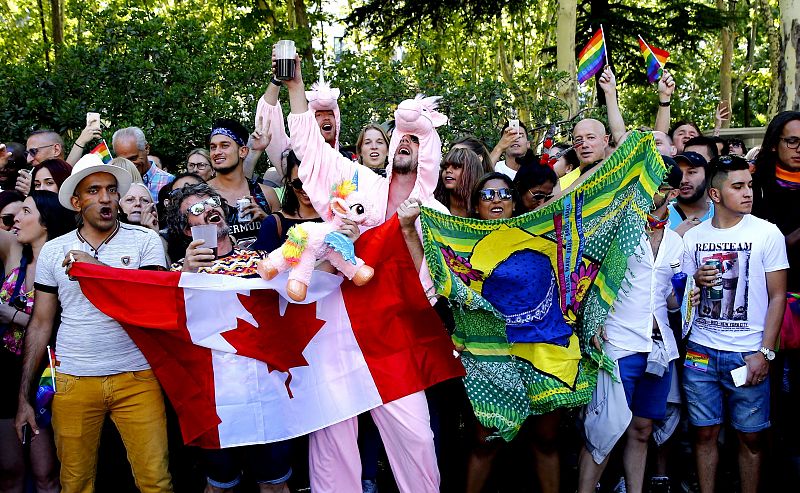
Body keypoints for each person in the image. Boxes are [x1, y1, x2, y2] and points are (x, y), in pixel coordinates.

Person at [280, 50, 448, 493]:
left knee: (417, 439)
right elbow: (312, 153)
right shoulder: (359, 182)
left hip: (393, 338)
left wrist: (409, 232)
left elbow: (430, 293)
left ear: (429, 151)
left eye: (416, 139)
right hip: (338, 331)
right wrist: (296, 89)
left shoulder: (438, 214)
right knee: (332, 440)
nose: (406, 143)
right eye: (401, 138)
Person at [15, 153, 173, 493]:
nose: (106, 198)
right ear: (76, 202)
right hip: (73, 380)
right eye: (94, 190)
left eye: (111, 190)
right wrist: (24, 397)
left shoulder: (144, 240)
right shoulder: (54, 250)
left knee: (156, 482)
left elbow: (152, 302)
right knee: (75, 484)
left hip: (137, 378)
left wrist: (96, 271)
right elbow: (40, 324)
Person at [682, 154, 788, 493]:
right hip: (700, 351)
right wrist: (693, 282)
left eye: (750, 185)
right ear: (715, 194)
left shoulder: (767, 233)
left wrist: (765, 353)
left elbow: (778, 297)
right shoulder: (692, 238)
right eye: (738, 186)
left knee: (751, 437)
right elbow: (678, 298)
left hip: (748, 353)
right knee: (703, 434)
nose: (748, 193)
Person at [577, 165, 684, 493]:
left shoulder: (676, 243)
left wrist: (687, 296)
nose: (652, 191)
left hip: (658, 347)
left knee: (642, 429)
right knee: (604, 430)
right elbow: (589, 279)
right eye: (649, 182)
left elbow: (671, 299)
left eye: (660, 186)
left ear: (673, 193)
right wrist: (592, 323)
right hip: (618, 341)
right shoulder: (620, 230)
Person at [0, 190, 74, 493]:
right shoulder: (16, 258)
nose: (15, 219)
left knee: (46, 473)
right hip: (6, 372)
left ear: (46, 222)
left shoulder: (65, 266)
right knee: (8, 471)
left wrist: (12, 315)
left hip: (47, 375)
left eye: (26, 212)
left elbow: (60, 326)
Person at [751, 112, 800, 482]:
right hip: (770, 305)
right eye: (792, 141)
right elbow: (759, 247)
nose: (799, 149)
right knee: (772, 396)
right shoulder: (756, 186)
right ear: (773, 144)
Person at [207, 118, 280, 248]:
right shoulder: (201, 196)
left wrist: (267, 220)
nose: (217, 152)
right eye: (213, 147)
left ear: (243, 151)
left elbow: (286, 243)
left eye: (224, 145)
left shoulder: (267, 194)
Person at [250, 151, 322, 252]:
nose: (306, 188)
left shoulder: (337, 218)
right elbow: (264, 262)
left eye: (312, 181)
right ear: (289, 182)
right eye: (298, 183)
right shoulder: (273, 224)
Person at [112, 126, 174, 199]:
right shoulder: (115, 183)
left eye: (133, 158)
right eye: (124, 160)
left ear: (146, 149)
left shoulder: (169, 181)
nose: (129, 164)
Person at [667, 151, 714, 236]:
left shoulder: (722, 213)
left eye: (691, 172)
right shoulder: (661, 216)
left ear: (707, 176)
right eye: (679, 173)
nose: (683, 180)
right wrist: (675, 236)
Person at [433, 147, 484, 217]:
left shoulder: (484, 208)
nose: (448, 170)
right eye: (445, 167)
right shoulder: (432, 206)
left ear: (472, 172)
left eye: (456, 167)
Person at [560, 118, 609, 190]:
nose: (584, 145)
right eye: (578, 140)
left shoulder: (618, 171)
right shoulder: (562, 185)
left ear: (605, 141)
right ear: (574, 146)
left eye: (591, 138)